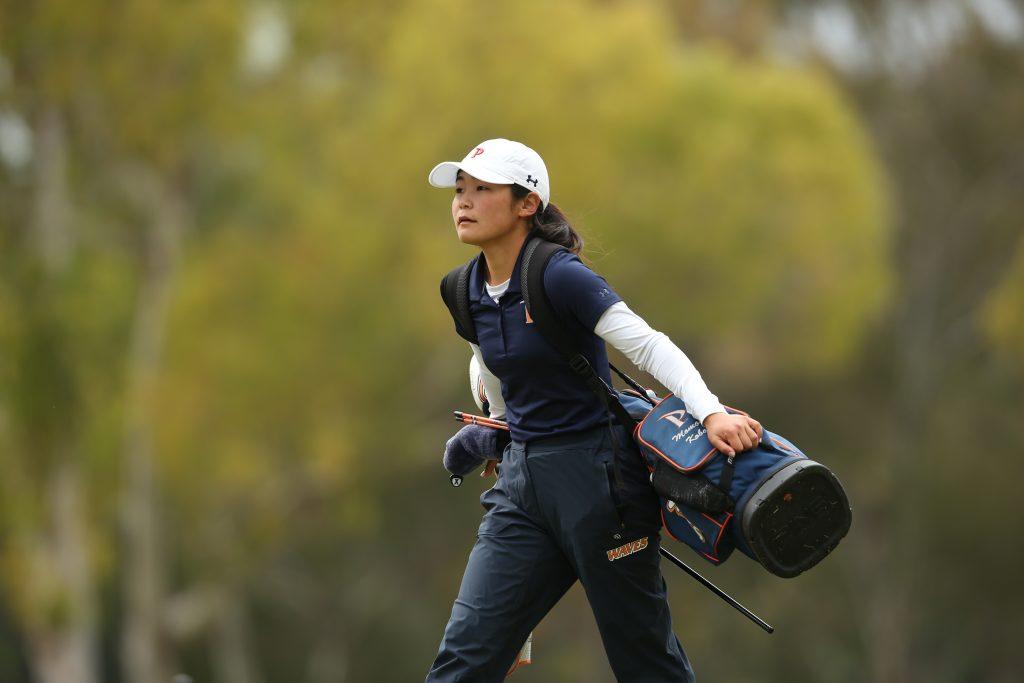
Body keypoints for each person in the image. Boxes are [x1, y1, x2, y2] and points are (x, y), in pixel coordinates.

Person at [425, 138, 763, 682]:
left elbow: (649, 346)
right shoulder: (461, 288)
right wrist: (501, 429)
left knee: (645, 664)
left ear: (526, 204)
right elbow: (489, 360)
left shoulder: (558, 275)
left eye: (481, 189)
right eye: (459, 190)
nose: (462, 201)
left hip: (600, 485)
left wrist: (711, 413)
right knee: (463, 661)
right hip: (523, 489)